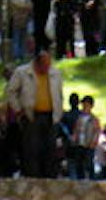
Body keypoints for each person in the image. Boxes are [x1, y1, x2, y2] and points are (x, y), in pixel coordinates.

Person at [7, 49, 64, 179]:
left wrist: (59, 112)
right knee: (32, 149)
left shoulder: (55, 73)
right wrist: (18, 109)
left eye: (49, 65)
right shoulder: (22, 72)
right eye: (44, 66)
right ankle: (33, 177)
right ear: (37, 64)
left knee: (50, 148)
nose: (47, 68)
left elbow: (59, 94)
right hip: (31, 115)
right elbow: (11, 92)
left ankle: (50, 177)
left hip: (51, 115)